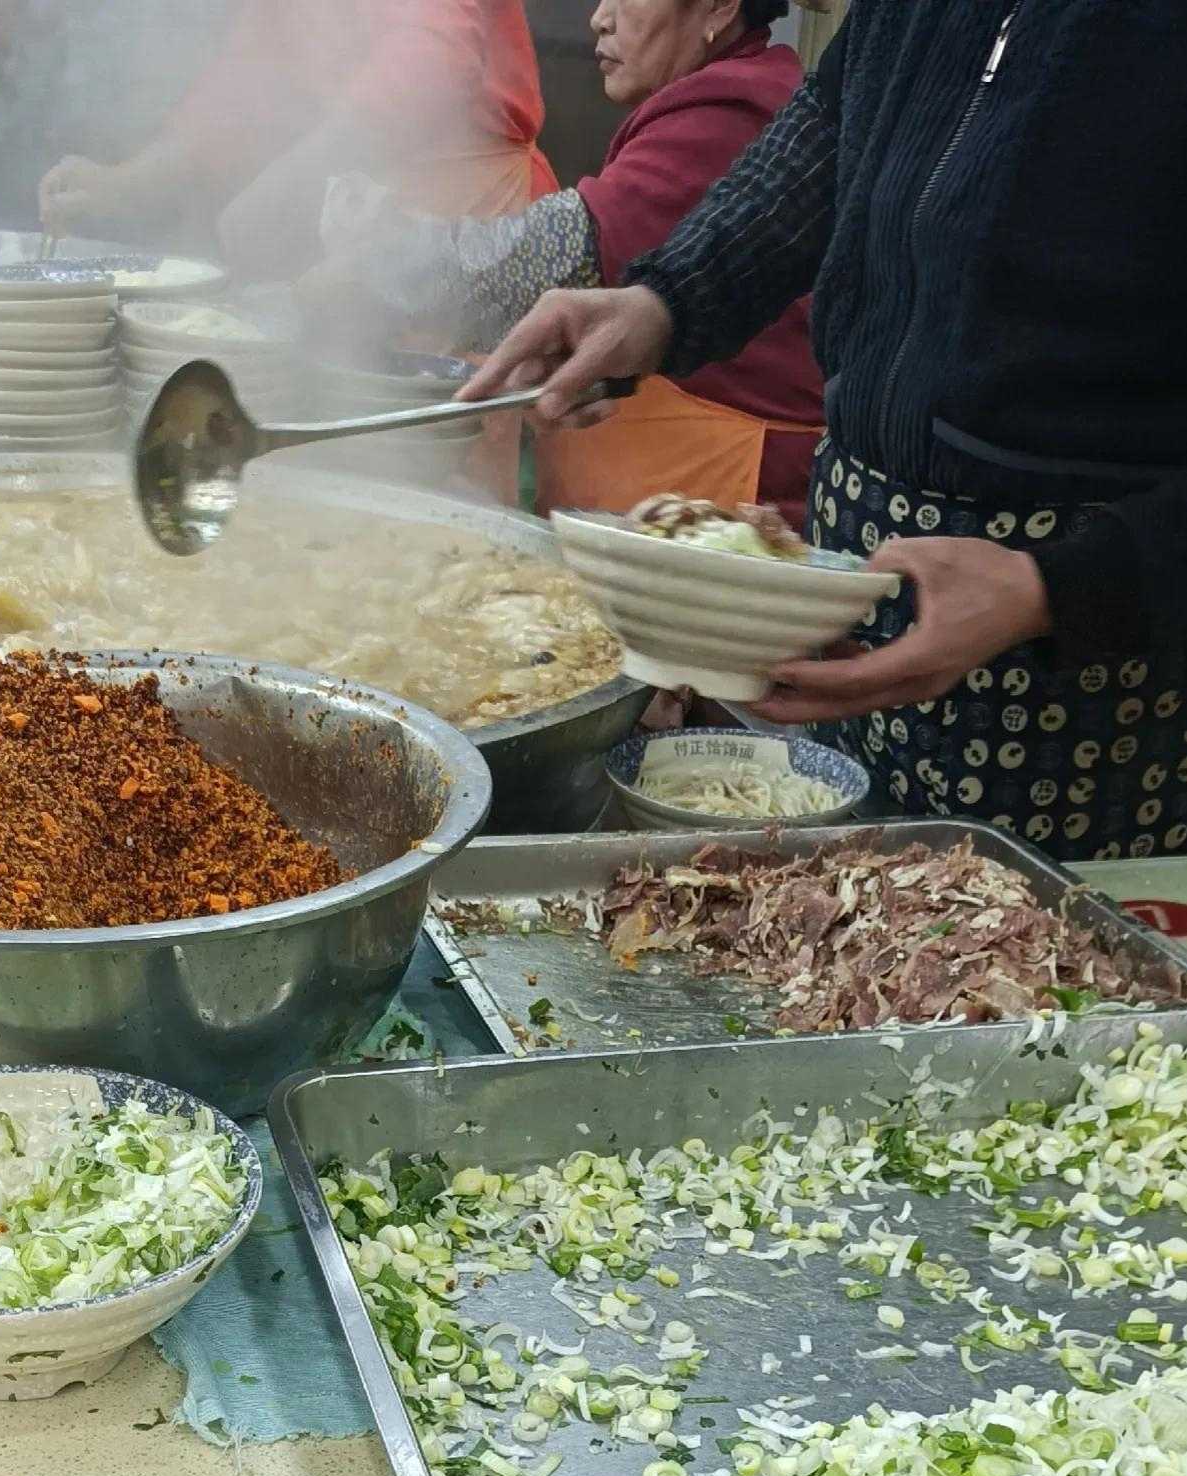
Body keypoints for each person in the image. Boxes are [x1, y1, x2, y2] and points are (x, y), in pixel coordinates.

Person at [459, 0, 1187, 864]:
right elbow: (824, 138)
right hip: (853, 578)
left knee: (1028, 972)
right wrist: (668, 300)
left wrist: (1055, 586)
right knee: (818, 934)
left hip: (1093, 646)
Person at [304, 0, 830, 524]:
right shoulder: (718, 95)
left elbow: (542, 270)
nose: (599, 18)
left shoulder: (730, 113)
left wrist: (365, 243)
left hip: (720, 506)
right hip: (659, 492)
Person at [36, 0, 556, 280]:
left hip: (465, 218)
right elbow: (246, 84)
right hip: (357, 221)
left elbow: (433, 63)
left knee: (439, 457)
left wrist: (295, 178)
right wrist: (127, 183)